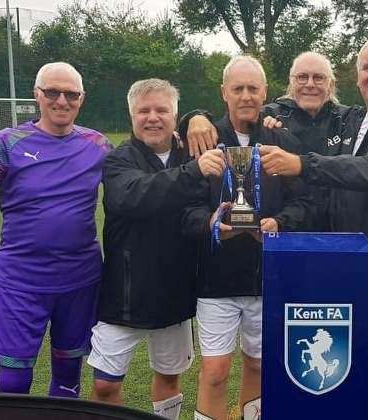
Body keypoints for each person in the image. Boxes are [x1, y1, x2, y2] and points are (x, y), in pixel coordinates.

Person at [259, 35, 368, 420]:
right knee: (356, 366)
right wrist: (264, 114)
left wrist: (303, 164)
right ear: (355, 78)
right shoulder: (349, 119)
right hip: (346, 265)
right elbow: (301, 115)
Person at [0, 62, 112, 397]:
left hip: (80, 278)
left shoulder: (98, 145)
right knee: (14, 379)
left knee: (68, 372)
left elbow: (136, 182)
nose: (61, 100)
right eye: (52, 92)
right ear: (37, 95)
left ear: (81, 98)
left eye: (70, 94)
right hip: (22, 280)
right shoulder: (9, 142)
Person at [180, 56, 310, 420]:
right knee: (215, 372)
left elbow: (305, 201)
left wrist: (279, 223)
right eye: (238, 88)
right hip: (215, 278)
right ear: (224, 93)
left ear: (265, 92)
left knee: (257, 366)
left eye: (253, 88)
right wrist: (209, 222)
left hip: (267, 277)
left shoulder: (282, 140)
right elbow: (184, 205)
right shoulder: (203, 138)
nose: (246, 96)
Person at [87, 79, 225, 419]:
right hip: (124, 292)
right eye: (143, 110)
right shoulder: (119, 160)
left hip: (175, 290)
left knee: (168, 375)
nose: (153, 117)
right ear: (131, 115)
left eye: (162, 110)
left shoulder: (189, 151)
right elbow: (134, 196)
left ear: (175, 115)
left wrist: (210, 223)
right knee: (105, 384)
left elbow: (191, 214)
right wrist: (194, 171)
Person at [184, 51, 368, 231]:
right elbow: (236, 112)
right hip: (287, 229)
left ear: (331, 84)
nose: (310, 84)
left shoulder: (349, 118)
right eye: (302, 77)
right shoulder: (272, 116)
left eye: (318, 78)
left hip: (338, 230)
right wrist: (195, 118)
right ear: (291, 83)